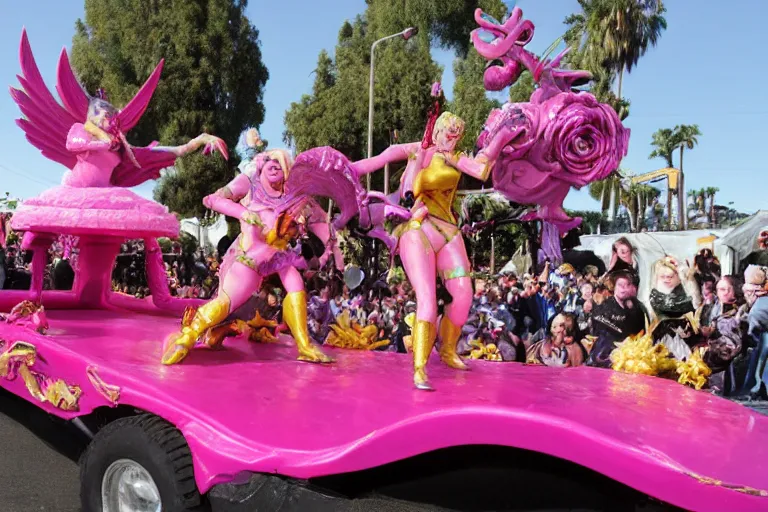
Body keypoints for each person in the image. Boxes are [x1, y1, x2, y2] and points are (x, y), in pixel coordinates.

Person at [352, 110, 508, 390]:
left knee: (463, 293)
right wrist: (348, 169)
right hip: (417, 228)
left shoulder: (455, 156)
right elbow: (379, 161)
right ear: (436, 130)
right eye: (450, 130)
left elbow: (483, 170)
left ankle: (448, 349)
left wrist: (501, 137)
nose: (454, 136)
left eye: (458, 132)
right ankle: (420, 367)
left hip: (448, 230)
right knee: (427, 297)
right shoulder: (416, 149)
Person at [162, 149, 341, 365]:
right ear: (261, 164)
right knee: (226, 302)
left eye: (282, 165)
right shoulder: (251, 182)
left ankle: (304, 346)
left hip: (277, 258)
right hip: (250, 258)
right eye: (271, 161)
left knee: (296, 284)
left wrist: (332, 244)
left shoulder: (294, 196)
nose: (276, 166)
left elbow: (321, 225)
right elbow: (212, 199)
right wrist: (242, 212)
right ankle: (187, 338)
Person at [587, 271, 647, 367]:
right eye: (620, 285)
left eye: (627, 285)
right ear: (614, 287)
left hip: (627, 358)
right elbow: (601, 329)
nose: (624, 288)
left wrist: (632, 309)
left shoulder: (637, 308)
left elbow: (640, 331)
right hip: (603, 358)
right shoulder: (604, 306)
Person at [700, 275, 748, 395]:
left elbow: (736, 338)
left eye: (727, 289)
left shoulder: (740, 311)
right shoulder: (711, 308)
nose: (724, 293)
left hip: (726, 354)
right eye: (720, 289)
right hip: (711, 350)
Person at [648, 257, 701, 360]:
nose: (666, 279)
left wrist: (682, 270)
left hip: (684, 334)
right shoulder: (654, 294)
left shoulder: (686, 290)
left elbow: (695, 303)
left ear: (677, 276)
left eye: (670, 277)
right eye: (662, 277)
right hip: (662, 334)